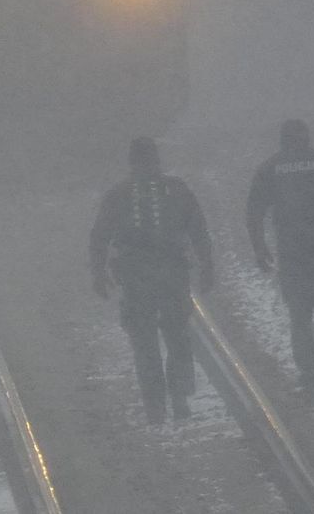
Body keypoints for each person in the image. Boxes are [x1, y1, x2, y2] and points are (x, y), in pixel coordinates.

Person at [89, 137, 214, 424]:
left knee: (145, 344)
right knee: (178, 338)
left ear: (131, 164)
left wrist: (98, 273)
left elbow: (99, 237)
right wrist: (207, 267)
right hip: (172, 276)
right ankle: (180, 398)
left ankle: (155, 406)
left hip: (136, 278)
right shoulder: (178, 190)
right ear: (157, 160)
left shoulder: (118, 195)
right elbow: (199, 231)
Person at [246, 120, 314, 402]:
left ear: (282, 141)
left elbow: (254, 211)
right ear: (307, 139)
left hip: (292, 254)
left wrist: (260, 248)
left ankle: (309, 376)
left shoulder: (270, 168)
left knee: (300, 317)